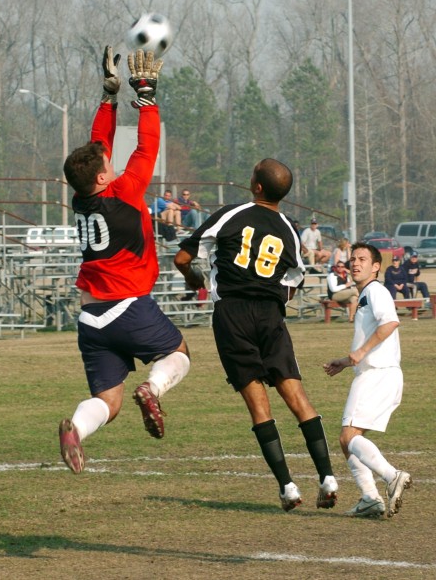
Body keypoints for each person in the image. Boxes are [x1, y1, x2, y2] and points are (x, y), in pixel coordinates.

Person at [173, 158, 338, 511]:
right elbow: (294, 280)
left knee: (257, 403)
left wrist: (195, 280)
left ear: (257, 186)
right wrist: (271, 301)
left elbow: (182, 258)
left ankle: (288, 487)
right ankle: (327, 477)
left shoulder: (232, 213)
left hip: (232, 313)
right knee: (297, 396)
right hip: (270, 314)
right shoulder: (289, 229)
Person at [58, 47, 191, 474]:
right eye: (105, 164)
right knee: (179, 353)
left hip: (90, 316)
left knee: (107, 401)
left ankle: (76, 428)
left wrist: (108, 99)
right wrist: (147, 98)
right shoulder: (124, 193)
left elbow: (97, 147)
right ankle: (152, 389)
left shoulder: (82, 197)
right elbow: (146, 148)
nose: (110, 162)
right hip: (127, 305)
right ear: (101, 176)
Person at [323, 242, 411, 518]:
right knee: (347, 438)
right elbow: (372, 338)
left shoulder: (376, 291)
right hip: (379, 373)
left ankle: (391, 475)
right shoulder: (366, 294)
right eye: (352, 259)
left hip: (377, 375)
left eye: (362, 259)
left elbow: (390, 323)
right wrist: (346, 361)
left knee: (349, 436)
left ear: (376, 267)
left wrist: (360, 353)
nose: (355, 263)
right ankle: (370, 498)